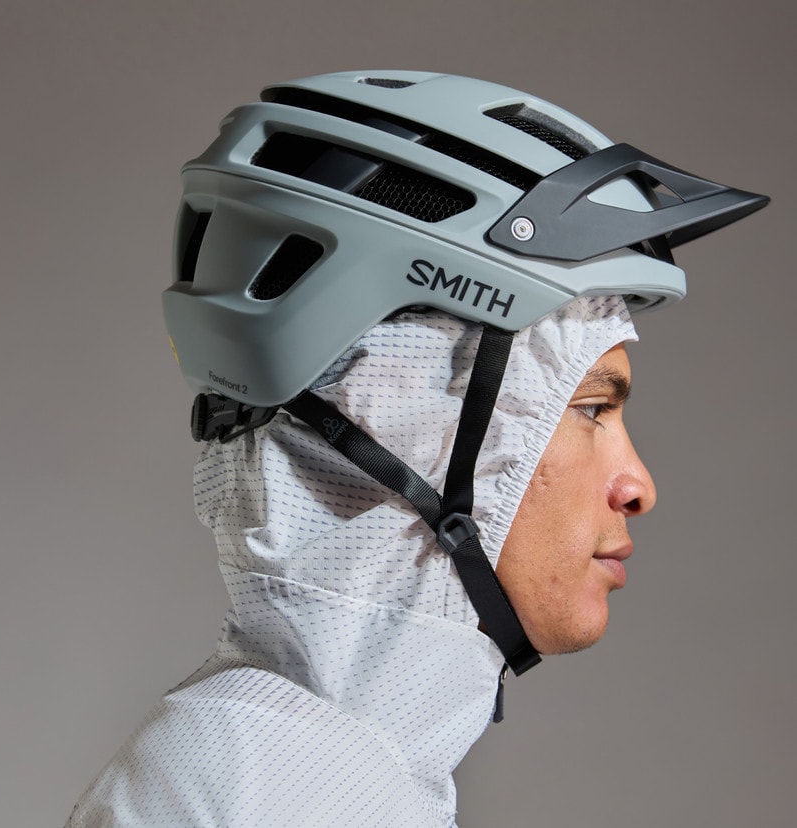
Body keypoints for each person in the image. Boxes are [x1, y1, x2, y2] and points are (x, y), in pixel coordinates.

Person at [67, 71, 768, 827]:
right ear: (404, 418)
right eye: (590, 408)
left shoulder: (315, 775)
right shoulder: (258, 799)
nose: (638, 485)